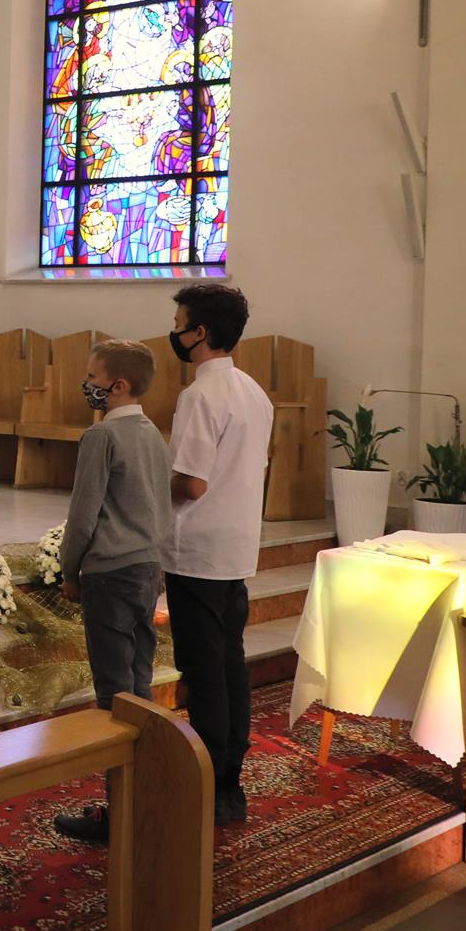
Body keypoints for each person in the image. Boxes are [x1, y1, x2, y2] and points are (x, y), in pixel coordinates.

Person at [52, 340, 174, 844]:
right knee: (139, 688)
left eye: (92, 376)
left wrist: (69, 570)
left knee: (114, 698)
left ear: (116, 385)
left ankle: (121, 811)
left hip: (109, 573)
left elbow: (83, 516)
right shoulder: (153, 435)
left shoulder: (101, 437)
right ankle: (147, 798)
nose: (87, 384)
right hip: (148, 568)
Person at [162, 284, 272, 827]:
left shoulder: (200, 395)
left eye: (179, 323)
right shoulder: (253, 391)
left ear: (199, 332)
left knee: (203, 669)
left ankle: (207, 785)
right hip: (235, 546)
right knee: (230, 664)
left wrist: (147, 483)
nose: (174, 333)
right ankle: (229, 779)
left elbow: (191, 484)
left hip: (197, 550)